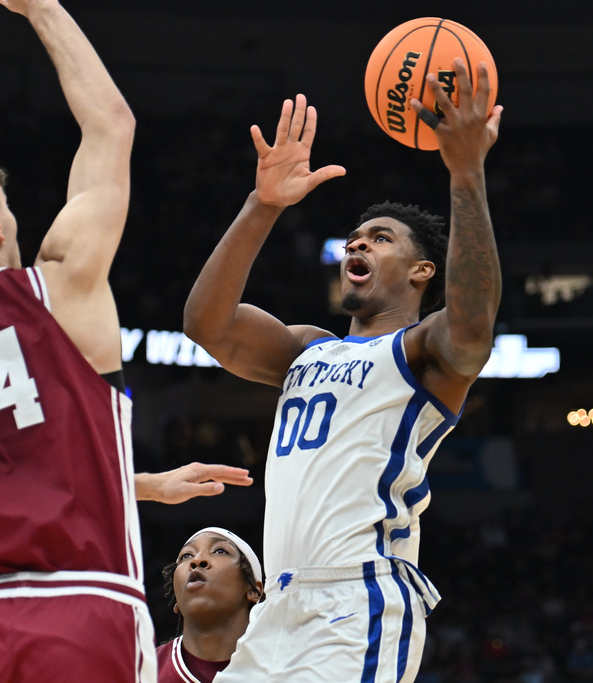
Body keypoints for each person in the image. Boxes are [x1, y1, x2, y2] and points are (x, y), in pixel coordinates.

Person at [0, 1, 250, 681]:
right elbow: (112, 125)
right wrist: (42, 7)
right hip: (85, 606)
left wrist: (145, 486)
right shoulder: (62, 286)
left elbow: (9, 470)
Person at [183, 59, 503, 682]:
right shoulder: (309, 349)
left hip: (357, 600)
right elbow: (207, 326)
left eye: (380, 238)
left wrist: (465, 172)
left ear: (421, 272)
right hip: (276, 608)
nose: (358, 245)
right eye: (354, 238)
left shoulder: (423, 352)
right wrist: (261, 205)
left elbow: (473, 326)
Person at [156, 527, 264, 683]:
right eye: (187, 555)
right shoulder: (140, 671)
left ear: (254, 590)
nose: (197, 560)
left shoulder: (285, 667)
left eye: (220, 551)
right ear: (176, 601)